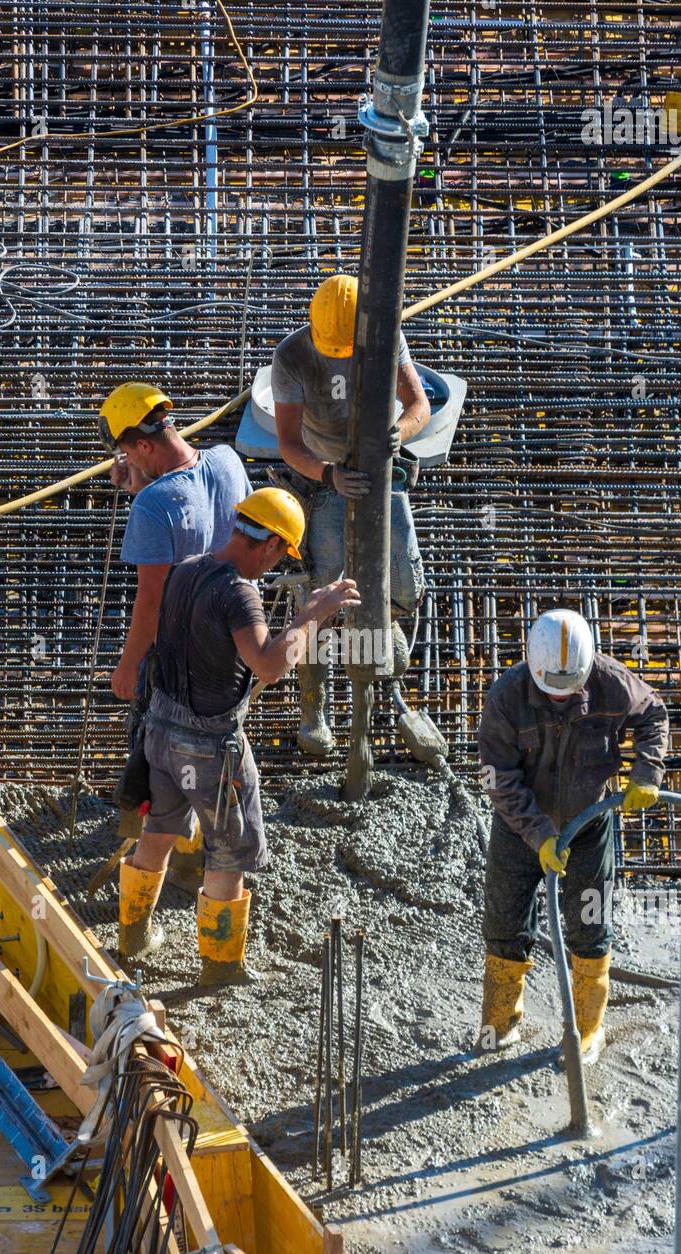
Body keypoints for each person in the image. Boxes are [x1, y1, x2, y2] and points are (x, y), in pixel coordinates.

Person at [117, 487, 360, 981]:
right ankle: (220, 966)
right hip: (208, 748)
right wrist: (312, 615)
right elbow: (268, 665)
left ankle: (133, 936)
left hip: (159, 732)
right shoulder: (237, 592)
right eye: (280, 554)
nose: (274, 566)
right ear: (269, 542)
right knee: (228, 848)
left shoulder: (186, 569)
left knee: (158, 830)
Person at [476, 608, 669, 1065]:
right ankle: (500, 1023)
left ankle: (587, 1030)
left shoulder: (609, 680)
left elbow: (653, 715)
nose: (561, 699)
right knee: (505, 922)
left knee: (589, 925)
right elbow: (497, 776)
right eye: (552, 692)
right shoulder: (506, 697)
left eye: (570, 691)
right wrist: (540, 834)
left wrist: (647, 771)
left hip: (590, 824)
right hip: (521, 826)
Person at [271, 273, 431, 754]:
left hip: (380, 470)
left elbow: (419, 404)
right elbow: (288, 444)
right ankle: (314, 710)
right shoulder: (293, 356)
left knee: (405, 588)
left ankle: (388, 654)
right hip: (326, 472)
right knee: (321, 597)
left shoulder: (386, 338)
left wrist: (399, 433)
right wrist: (327, 476)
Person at [98, 381, 251, 702]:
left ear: (144, 446)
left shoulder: (151, 504)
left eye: (128, 453)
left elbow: (153, 599)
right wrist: (142, 482)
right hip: (233, 645)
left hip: (182, 660)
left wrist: (129, 665)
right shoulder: (228, 460)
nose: (129, 462)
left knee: (162, 746)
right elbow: (194, 514)